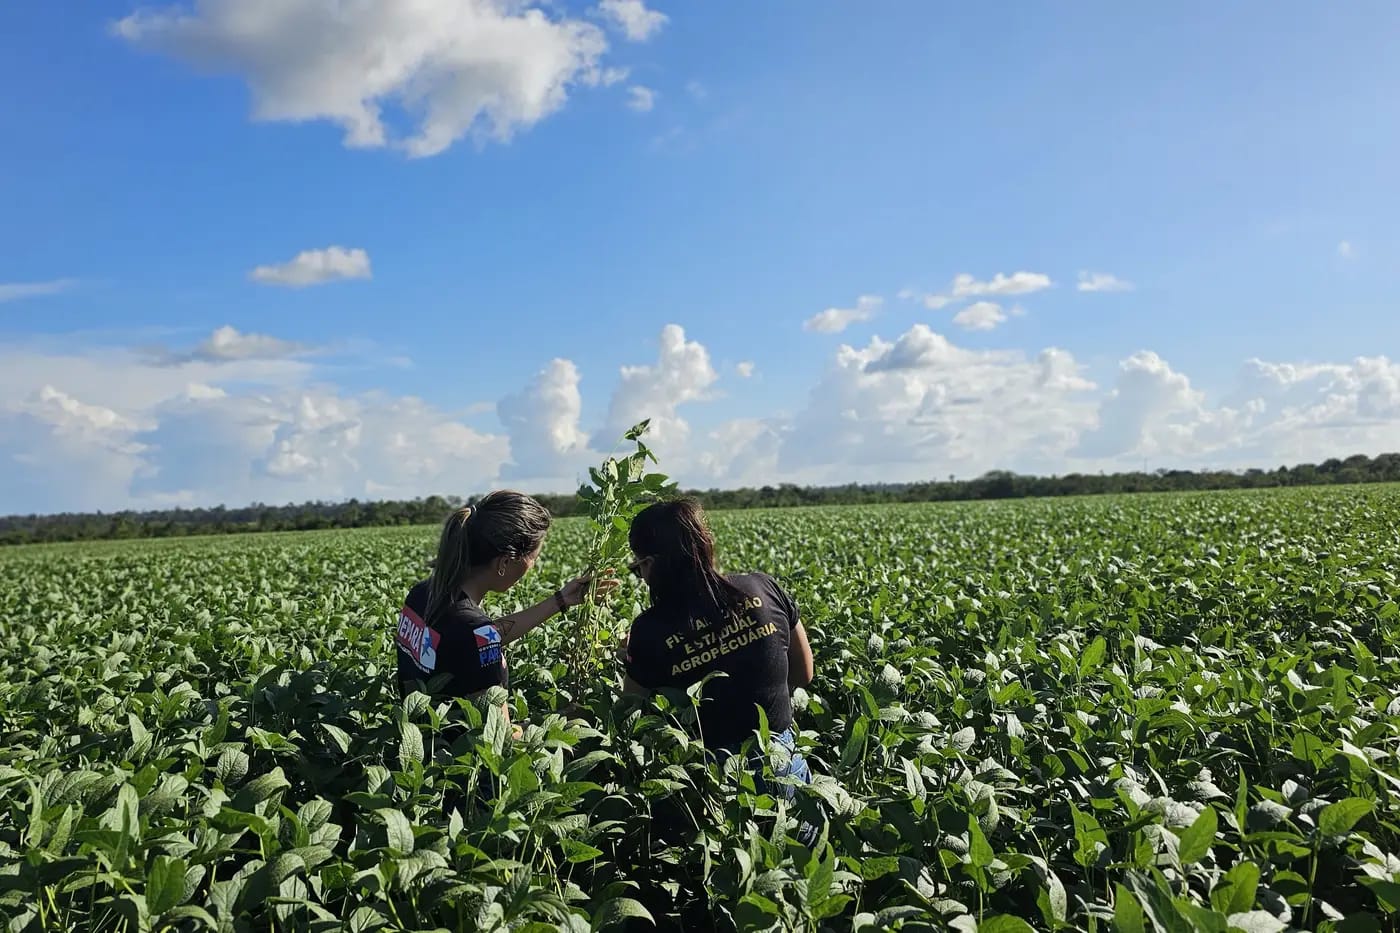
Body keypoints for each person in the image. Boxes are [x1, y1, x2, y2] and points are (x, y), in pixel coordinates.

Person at [621, 497, 815, 797]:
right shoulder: (764, 587)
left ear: (649, 563)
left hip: (708, 780)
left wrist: (631, 660)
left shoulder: (648, 630)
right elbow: (804, 674)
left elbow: (633, 714)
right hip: (782, 764)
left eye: (639, 568)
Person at [395, 491, 607, 731]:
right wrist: (559, 726)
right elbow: (500, 741)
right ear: (504, 563)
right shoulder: (473, 631)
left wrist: (560, 600)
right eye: (533, 558)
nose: (533, 566)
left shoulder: (424, 594)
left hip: (424, 738)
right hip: (460, 758)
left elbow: (467, 645)